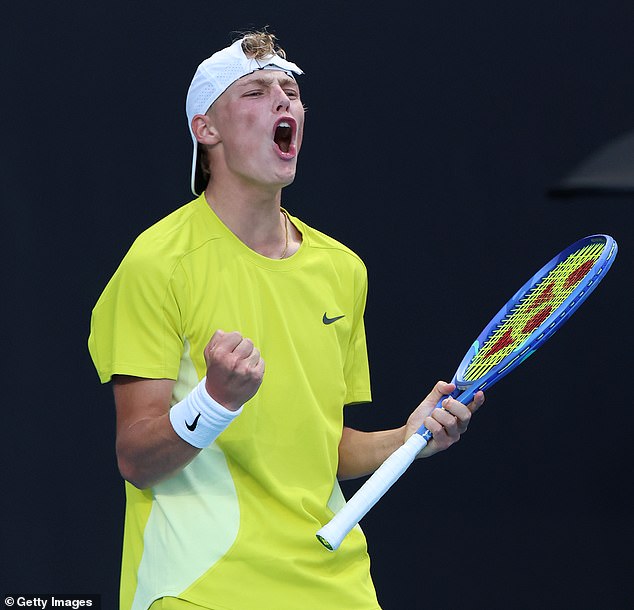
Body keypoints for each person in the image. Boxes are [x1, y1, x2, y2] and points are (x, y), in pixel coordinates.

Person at [88, 30, 484, 610]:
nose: (283, 101)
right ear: (207, 128)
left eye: (290, 90)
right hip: (203, 589)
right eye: (255, 91)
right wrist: (214, 402)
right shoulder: (156, 264)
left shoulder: (342, 269)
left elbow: (323, 448)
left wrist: (406, 439)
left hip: (336, 586)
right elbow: (137, 459)